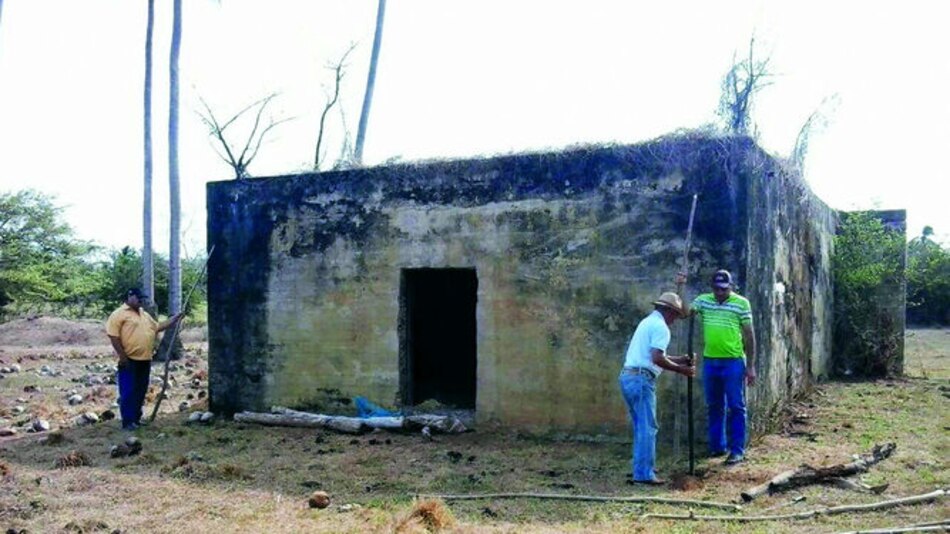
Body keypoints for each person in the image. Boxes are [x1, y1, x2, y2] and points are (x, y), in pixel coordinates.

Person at [619, 292, 696, 485]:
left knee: (641, 426)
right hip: (641, 379)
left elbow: (654, 355)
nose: (675, 320)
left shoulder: (647, 322)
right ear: (669, 311)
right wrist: (682, 369)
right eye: (676, 315)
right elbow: (657, 358)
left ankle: (642, 468)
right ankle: (644, 474)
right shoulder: (661, 327)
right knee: (648, 427)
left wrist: (680, 359)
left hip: (629, 376)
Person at [684, 269, 756, 465]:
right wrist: (680, 286)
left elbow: (749, 336)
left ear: (730, 287)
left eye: (723, 289)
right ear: (712, 288)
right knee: (714, 405)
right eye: (716, 288)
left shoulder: (741, 303)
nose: (719, 292)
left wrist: (750, 366)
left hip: (733, 362)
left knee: (736, 406)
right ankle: (717, 446)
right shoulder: (703, 301)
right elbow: (684, 313)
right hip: (710, 361)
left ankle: (737, 450)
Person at [105, 288, 181, 430]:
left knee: (140, 390)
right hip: (129, 359)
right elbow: (113, 336)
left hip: (145, 359)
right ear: (129, 296)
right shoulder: (118, 314)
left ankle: (136, 419)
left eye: (142, 298)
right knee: (128, 392)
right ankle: (128, 422)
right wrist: (122, 356)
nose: (141, 301)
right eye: (138, 298)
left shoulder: (144, 314)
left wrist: (175, 319)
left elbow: (157, 327)